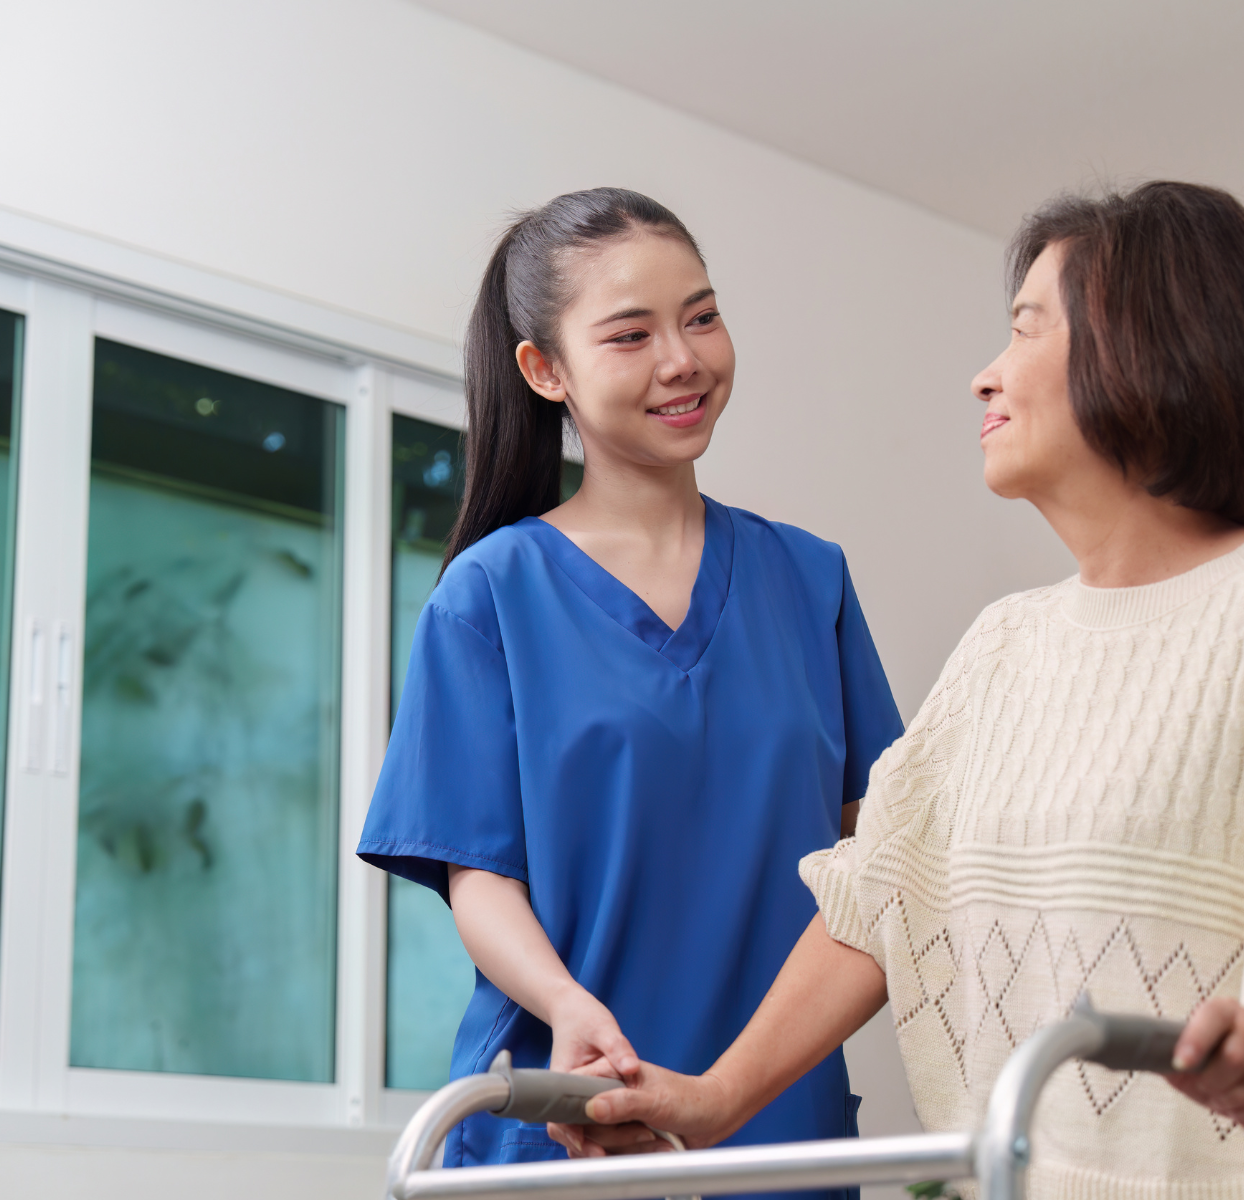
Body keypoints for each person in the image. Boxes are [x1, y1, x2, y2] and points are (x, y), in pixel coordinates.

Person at [570, 183, 1244, 1200]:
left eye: (1023, 331)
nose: (984, 377)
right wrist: (710, 1103)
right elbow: (882, 898)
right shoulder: (1004, 644)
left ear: (1142, 348)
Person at [356, 188, 903, 1188]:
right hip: (567, 1115)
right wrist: (566, 1005)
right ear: (544, 370)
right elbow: (477, 873)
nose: (682, 358)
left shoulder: (810, 581)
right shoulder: (491, 596)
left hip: (780, 1125)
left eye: (700, 315)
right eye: (630, 334)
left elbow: (883, 867)